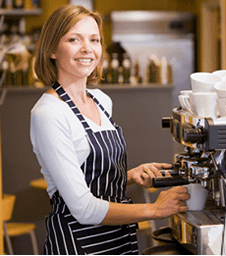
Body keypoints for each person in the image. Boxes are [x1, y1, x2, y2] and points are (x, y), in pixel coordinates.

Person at [29, 4, 190, 255]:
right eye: (74, 39)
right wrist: (154, 210)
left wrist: (127, 175)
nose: (87, 49)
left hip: (119, 236)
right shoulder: (49, 113)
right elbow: (82, 206)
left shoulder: (101, 100)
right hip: (78, 243)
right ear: (51, 49)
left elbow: (85, 180)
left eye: (94, 40)